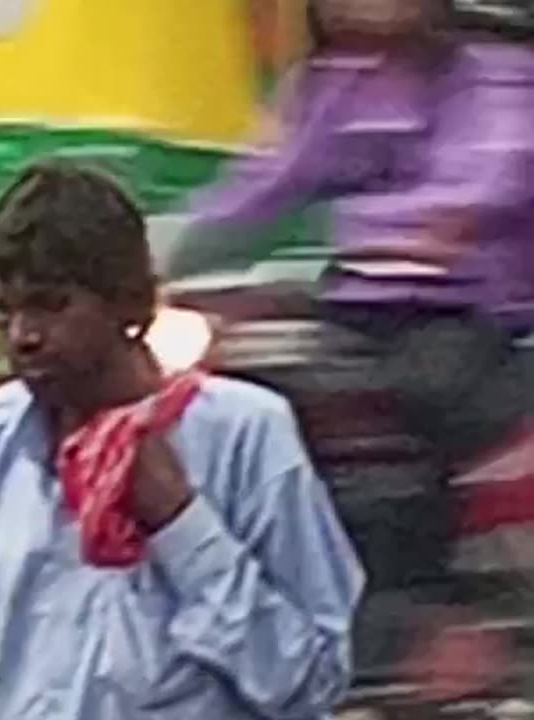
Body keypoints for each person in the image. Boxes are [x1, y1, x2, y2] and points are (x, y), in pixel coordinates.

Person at [0, 161, 365, 720]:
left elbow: (308, 684)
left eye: (51, 306)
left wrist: (183, 527)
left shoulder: (245, 436)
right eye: (3, 311)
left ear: (129, 304)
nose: (23, 336)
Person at [162, 0, 534, 702]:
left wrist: (409, 230)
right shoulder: (337, 83)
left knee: (414, 404)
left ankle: (437, 620)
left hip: (471, 317)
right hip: (357, 306)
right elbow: (266, 183)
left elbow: (488, 175)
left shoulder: (498, 81)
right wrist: (168, 246)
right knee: (268, 385)